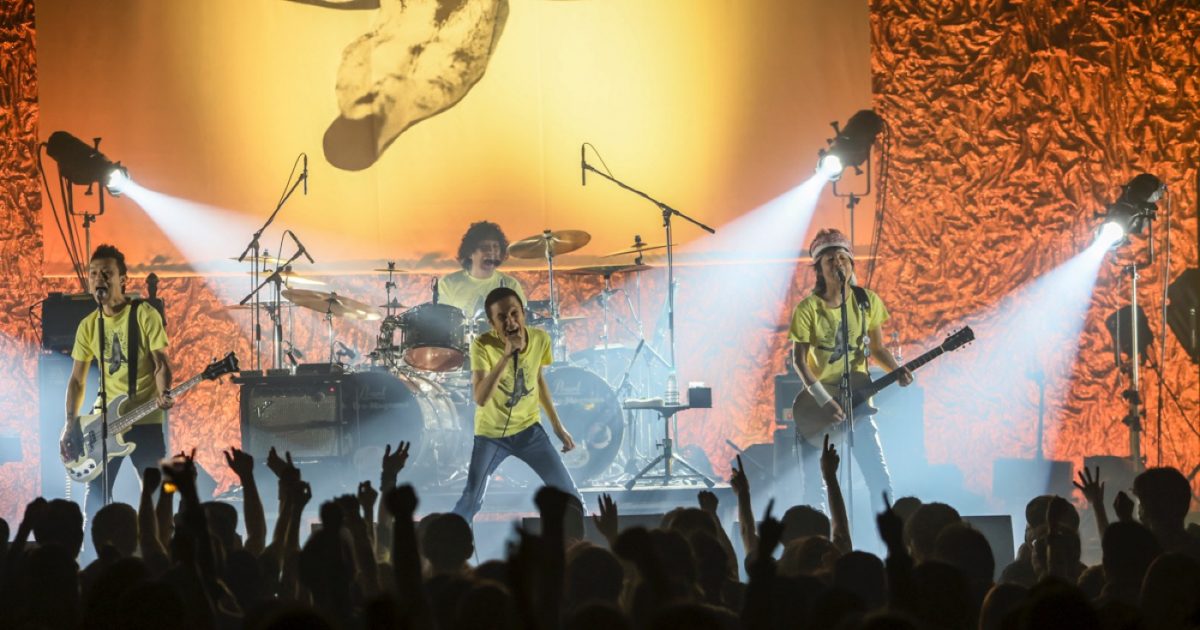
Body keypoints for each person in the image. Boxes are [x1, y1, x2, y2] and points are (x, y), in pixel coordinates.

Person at [788, 228, 910, 511]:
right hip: (819, 407)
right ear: (819, 268)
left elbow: (877, 349)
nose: (838, 263)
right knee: (815, 489)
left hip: (859, 404)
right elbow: (799, 361)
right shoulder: (807, 309)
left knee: (880, 483)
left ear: (851, 263)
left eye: (843, 258)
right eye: (830, 259)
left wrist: (897, 370)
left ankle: (887, 536)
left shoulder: (866, 301)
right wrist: (825, 401)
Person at [60, 244, 173, 518]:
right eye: (93, 273)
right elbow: (77, 381)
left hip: (144, 418)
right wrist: (70, 424)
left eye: (106, 273)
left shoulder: (145, 314)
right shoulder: (89, 325)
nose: (99, 278)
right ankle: (92, 541)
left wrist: (164, 391)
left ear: (122, 279)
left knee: (156, 491)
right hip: (103, 421)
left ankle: (157, 540)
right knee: (96, 493)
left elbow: (161, 363)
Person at [451, 287, 581, 521]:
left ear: (523, 314)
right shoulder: (482, 345)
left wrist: (557, 426)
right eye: (502, 317)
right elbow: (480, 397)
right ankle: (445, 540)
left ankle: (582, 542)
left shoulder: (540, 339)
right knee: (472, 499)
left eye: (514, 314)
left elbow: (538, 380)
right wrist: (506, 356)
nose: (510, 322)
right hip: (491, 436)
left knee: (570, 496)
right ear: (492, 323)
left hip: (530, 431)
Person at [438, 221, 527, 322]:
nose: (491, 251)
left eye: (495, 247)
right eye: (485, 247)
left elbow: (521, 321)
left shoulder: (511, 284)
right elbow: (443, 323)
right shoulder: (448, 283)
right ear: (470, 253)